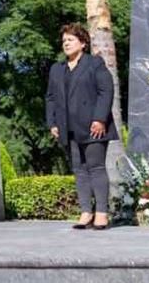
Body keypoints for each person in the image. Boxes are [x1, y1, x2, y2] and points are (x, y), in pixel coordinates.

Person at [45, 24, 116, 230]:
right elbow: (50, 98)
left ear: (83, 43)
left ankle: (101, 212)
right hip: (68, 127)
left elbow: (106, 91)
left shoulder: (94, 63)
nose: (65, 43)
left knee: (96, 167)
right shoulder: (57, 69)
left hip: (94, 126)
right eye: (64, 40)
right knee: (79, 170)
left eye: (70, 40)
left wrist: (100, 119)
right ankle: (86, 212)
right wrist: (53, 123)